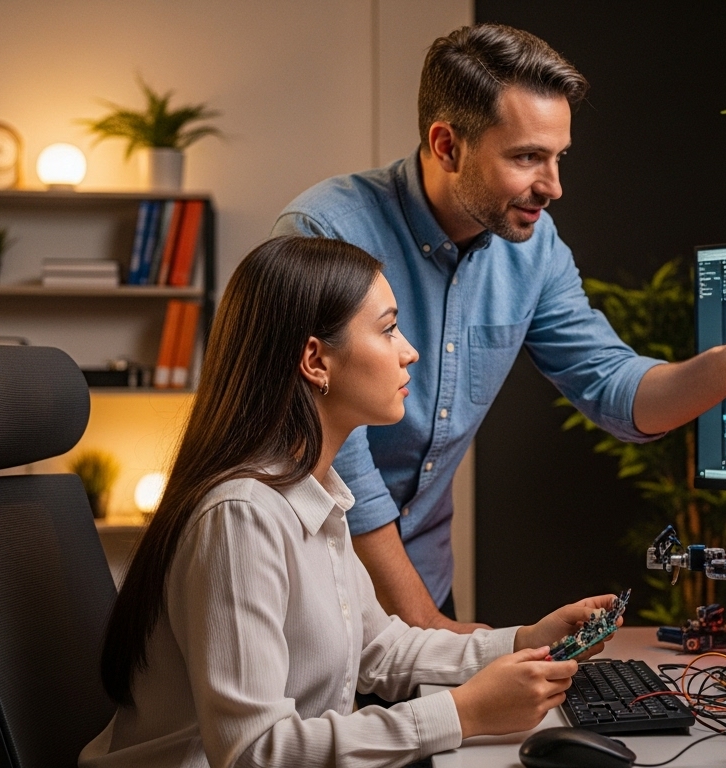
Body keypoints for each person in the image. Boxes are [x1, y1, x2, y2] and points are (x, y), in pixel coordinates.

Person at [272, 24, 726, 632]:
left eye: (558, 157)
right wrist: (427, 628)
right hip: (321, 590)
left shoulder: (533, 247)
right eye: (526, 158)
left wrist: (725, 369)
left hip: (424, 586)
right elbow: (338, 456)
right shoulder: (323, 231)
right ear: (447, 146)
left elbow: (615, 389)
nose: (553, 186)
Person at [82, 236, 617, 768]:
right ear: (316, 360)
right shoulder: (241, 516)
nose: (409, 350)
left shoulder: (315, 493)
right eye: (387, 330)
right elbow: (253, 752)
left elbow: (378, 648)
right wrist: (462, 713)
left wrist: (525, 640)